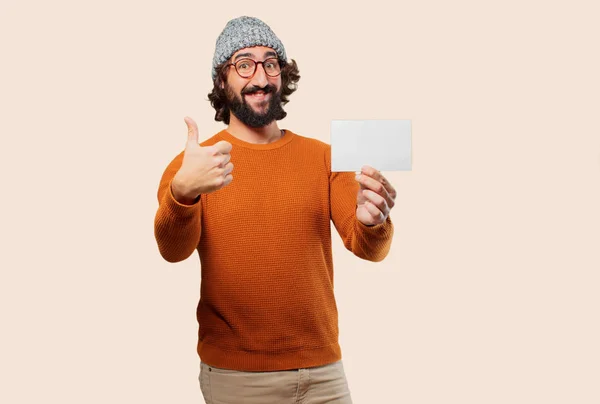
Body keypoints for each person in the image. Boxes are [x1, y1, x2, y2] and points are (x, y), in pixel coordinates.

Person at [153, 16, 396, 404]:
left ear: (283, 75)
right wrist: (182, 195)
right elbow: (172, 250)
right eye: (244, 64)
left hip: (324, 374)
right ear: (222, 79)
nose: (261, 78)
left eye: (271, 63)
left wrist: (374, 222)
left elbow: (370, 249)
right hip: (237, 378)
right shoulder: (195, 165)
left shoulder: (323, 157)